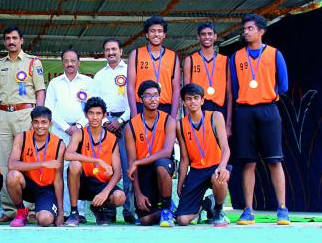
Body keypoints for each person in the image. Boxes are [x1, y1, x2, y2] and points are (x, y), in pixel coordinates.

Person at [230, 14, 290, 225]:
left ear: (261, 31)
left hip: (268, 110)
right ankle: (248, 210)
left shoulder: (274, 54)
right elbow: (235, 88)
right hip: (244, 111)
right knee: (248, 162)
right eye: (244, 29)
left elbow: (283, 85)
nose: (246, 32)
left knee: (275, 160)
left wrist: (264, 93)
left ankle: (282, 208)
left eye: (249, 28)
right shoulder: (236, 57)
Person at [0, 26, 46, 221]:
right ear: (5, 42)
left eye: (15, 38)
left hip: (26, 114)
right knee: (5, 164)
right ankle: (11, 210)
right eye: (8, 38)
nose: (11, 41)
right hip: (3, 117)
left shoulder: (33, 62)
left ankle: (30, 209)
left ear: (22, 40)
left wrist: (37, 119)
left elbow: (40, 91)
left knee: (27, 161)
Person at [91, 38, 136, 223]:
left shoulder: (129, 71)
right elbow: (95, 101)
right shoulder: (99, 75)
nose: (111, 52)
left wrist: (120, 120)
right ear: (104, 53)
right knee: (104, 168)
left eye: (114, 49)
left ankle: (129, 211)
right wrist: (105, 122)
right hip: (104, 126)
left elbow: (134, 102)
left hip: (126, 124)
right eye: (107, 50)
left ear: (121, 50)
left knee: (127, 169)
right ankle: (108, 210)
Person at [64, 97, 126, 226]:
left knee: (120, 197)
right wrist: (97, 160)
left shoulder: (111, 138)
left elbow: (117, 173)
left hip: (101, 183)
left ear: (104, 115)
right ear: (86, 115)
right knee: (74, 165)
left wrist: (105, 192)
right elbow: (67, 154)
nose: (94, 117)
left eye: (98, 113)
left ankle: (100, 207)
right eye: (91, 113)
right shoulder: (80, 134)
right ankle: (74, 212)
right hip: (83, 183)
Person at [175, 83, 231, 227]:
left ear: (202, 100)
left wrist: (222, 167)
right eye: (188, 98)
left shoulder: (215, 116)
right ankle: (207, 204)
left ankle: (218, 210)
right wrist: (181, 182)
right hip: (196, 171)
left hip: (216, 167)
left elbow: (225, 148)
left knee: (219, 178)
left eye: (196, 98)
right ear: (184, 102)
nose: (192, 101)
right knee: (182, 220)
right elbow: (184, 158)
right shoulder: (180, 125)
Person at [44, 48, 90, 215]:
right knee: (60, 169)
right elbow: (49, 107)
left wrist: (78, 125)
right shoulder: (55, 83)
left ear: (79, 62)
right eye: (66, 61)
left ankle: (80, 212)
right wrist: (65, 127)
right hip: (59, 131)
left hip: (82, 131)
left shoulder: (87, 82)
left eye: (73, 61)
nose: (69, 64)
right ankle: (62, 210)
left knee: (78, 168)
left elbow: (92, 108)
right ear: (62, 62)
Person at [124, 80, 177, 227]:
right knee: (145, 221)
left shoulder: (169, 120)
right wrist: (138, 194)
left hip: (162, 166)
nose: (153, 99)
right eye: (148, 95)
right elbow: (131, 164)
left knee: (161, 165)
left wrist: (137, 162)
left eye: (156, 95)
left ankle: (166, 208)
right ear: (141, 98)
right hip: (143, 172)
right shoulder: (131, 126)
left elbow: (167, 151)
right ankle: (171, 211)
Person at [6, 106, 65, 227]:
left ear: (50, 123)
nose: (40, 126)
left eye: (44, 122)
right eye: (36, 122)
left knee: (45, 220)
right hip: (28, 185)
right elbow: (12, 165)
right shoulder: (22, 137)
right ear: (32, 123)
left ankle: (39, 213)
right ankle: (21, 212)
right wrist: (43, 163)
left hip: (46, 189)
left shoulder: (59, 144)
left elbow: (58, 181)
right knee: (12, 176)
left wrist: (60, 213)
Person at [183, 22, 232, 133]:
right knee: (199, 147)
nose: (207, 37)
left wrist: (229, 123)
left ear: (215, 36)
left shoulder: (225, 61)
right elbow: (186, 94)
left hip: (220, 109)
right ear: (198, 37)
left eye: (210, 34)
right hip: (198, 108)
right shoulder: (190, 60)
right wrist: (187, 119)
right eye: (203, 34)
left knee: (219, 147)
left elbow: (229, 94)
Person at [127, 16, 180, 116]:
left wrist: (173, 116)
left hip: (164, 107)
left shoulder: (173, 56)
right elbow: (130, 86)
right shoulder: (136, 54)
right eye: (152, 31)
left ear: (164, 34)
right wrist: (134, 114)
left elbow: (176, 89)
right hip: (141, 106)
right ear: (147, 34)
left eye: (160, 31)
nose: (156, 34)